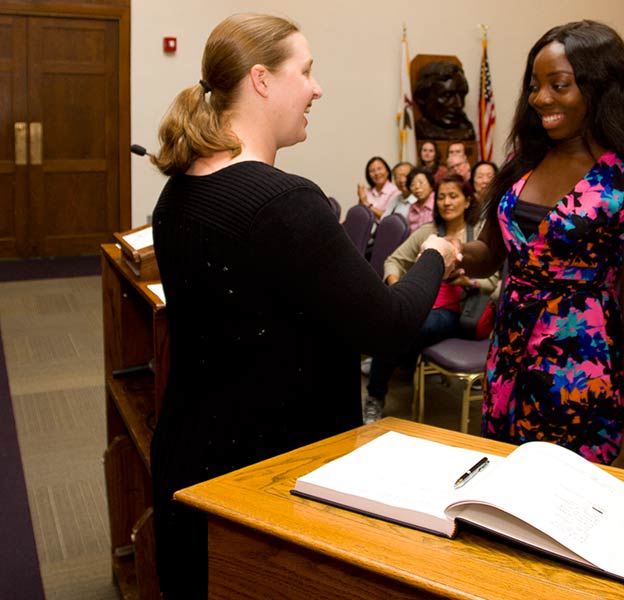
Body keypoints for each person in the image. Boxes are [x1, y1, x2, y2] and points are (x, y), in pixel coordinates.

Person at [147, 14, 458, 598]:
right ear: (262, 80)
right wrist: (435, 255)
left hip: (191, 458)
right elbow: (387, 326)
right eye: (307, 71)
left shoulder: (179, 188)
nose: (317, 88)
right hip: (269, 476)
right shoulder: (284, 202)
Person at [457, 20, 624, 472]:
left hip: (578, 376)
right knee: (506, 498)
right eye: (535, 86)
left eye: (559, 85)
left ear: (602, 88)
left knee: (569, 513)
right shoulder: (523, 163)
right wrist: (448, 254)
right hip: (508, 363)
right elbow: (491, 255)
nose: (540, 99)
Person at [363, 174, 499, 422]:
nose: (446, 202)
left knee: (405, 327)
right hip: (419, 302)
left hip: (457, 310)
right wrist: (395, 285)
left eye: (454, 196)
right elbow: (393, 260)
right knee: (393, 320)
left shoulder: (478, 237)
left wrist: (468, 280)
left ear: (468, 201)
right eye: (442, 197)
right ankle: (378, 390)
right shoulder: (429, 231)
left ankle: (376, 387)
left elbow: (494, 281)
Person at [413, 60, 476, 140]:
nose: (459, 104)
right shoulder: (421, 130)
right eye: (447, 95)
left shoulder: (467, 129)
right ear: (422, 97)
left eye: (462, 94)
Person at [356, 156, 398, 220]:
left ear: (387, 171)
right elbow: (359, 214)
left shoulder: (395, 192)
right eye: (372, 171)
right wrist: (360, 198)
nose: (377, 173)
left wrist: (366, 203)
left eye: (379, 169)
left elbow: (387, 217)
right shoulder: (367, 192)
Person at [405, 167, 436, 232]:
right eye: (412, 184)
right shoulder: (412, 207)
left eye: (421, 183)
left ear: (431, 185)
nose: (417, 187)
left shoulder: (437, 203)